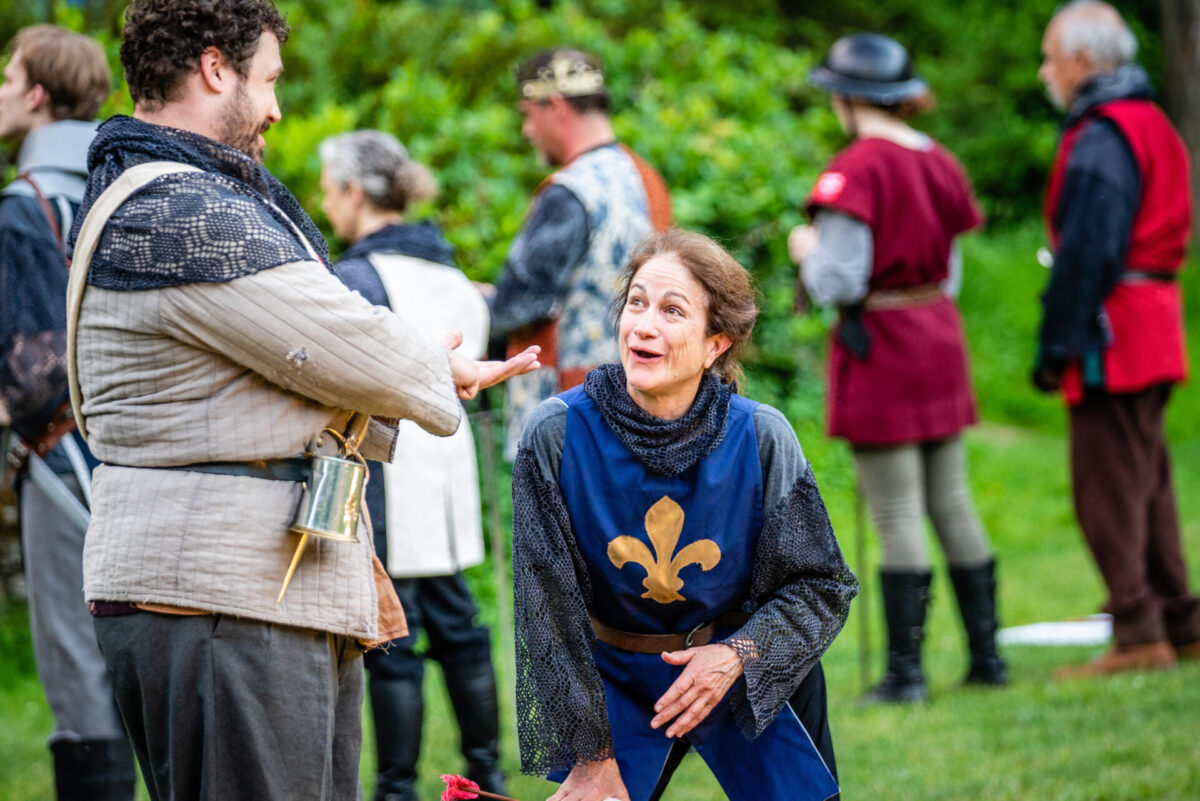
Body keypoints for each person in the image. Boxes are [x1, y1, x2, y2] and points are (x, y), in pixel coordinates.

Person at [66, 2, 538, 800]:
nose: (278, 107)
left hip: (240, 591)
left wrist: (412, 366)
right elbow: (336, 336)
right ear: (216, 68)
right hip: (217, 596)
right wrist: (427, 365)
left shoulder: (171, 196)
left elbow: (317, 335)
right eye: (270, 78)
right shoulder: (177, 212)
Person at [512, 230, 858, 801]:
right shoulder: (557, 434)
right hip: (611, 682)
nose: (644, 325)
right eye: (637, 303)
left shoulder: (760, 436)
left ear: (714, 344)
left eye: (672, 311)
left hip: (744, 664)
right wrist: (592, 755)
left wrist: (736, 655)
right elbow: (547, 609)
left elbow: (819, 586)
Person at [788, 33, 1006, 703]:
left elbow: (840, 278)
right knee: (952, 496)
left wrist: (805, 250)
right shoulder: (939, 158)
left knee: (896, 512)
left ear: (850, 99)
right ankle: (986, 658)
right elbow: (954, 268)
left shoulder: (855, 169)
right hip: (937, 329)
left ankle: (906, 676)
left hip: (882, 341)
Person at [319, 130, 507, 801]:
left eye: (327, 186)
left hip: (386, 481)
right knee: (459, 627)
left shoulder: (353, 279)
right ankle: (487, 770)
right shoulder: (457, 279)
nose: (325, 201)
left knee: (395, 640)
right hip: (449, 480)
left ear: (351, 191)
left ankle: (396, 789)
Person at [1034, 1, 1200, 676]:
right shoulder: (1150, 120)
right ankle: (1181, 620)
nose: (1045, 71)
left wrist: (1054, 347)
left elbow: (1088, 253)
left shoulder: (1104, 134)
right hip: (1151, 318)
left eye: (1050, 57)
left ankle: (1136, 630)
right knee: (1148, 477)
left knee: (1106, 483)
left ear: (1080, 60)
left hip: (1116, 330)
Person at [0, 25, 136, 800]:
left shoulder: (25, 207)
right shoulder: (131, 185)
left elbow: (34, 375)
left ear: (38, 94)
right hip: (145, 456)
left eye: (8, 74)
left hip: (60, 459)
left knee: (77, 668)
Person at [487, 48, 672, 458]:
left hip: (569, 417)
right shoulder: (648, 181)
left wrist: (477, 302)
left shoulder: (571, 191)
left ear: (554, 106)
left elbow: (516, 304)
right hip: (645, 406)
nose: (526, 130)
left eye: (527, 114)